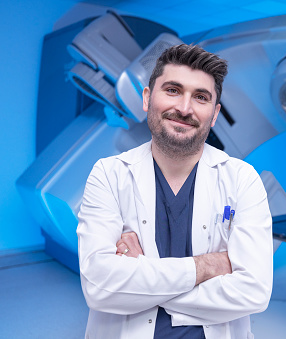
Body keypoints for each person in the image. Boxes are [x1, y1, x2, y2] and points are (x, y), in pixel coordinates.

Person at [77, 44, 273, 339]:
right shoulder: (109, 175)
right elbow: (99, 289)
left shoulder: (241, 179)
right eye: (172, 90)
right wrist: (206, 266)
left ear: (215, 113)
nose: (184, 108)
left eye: (201, 97)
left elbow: (254, 292)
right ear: (146, 98)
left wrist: (138, 281)